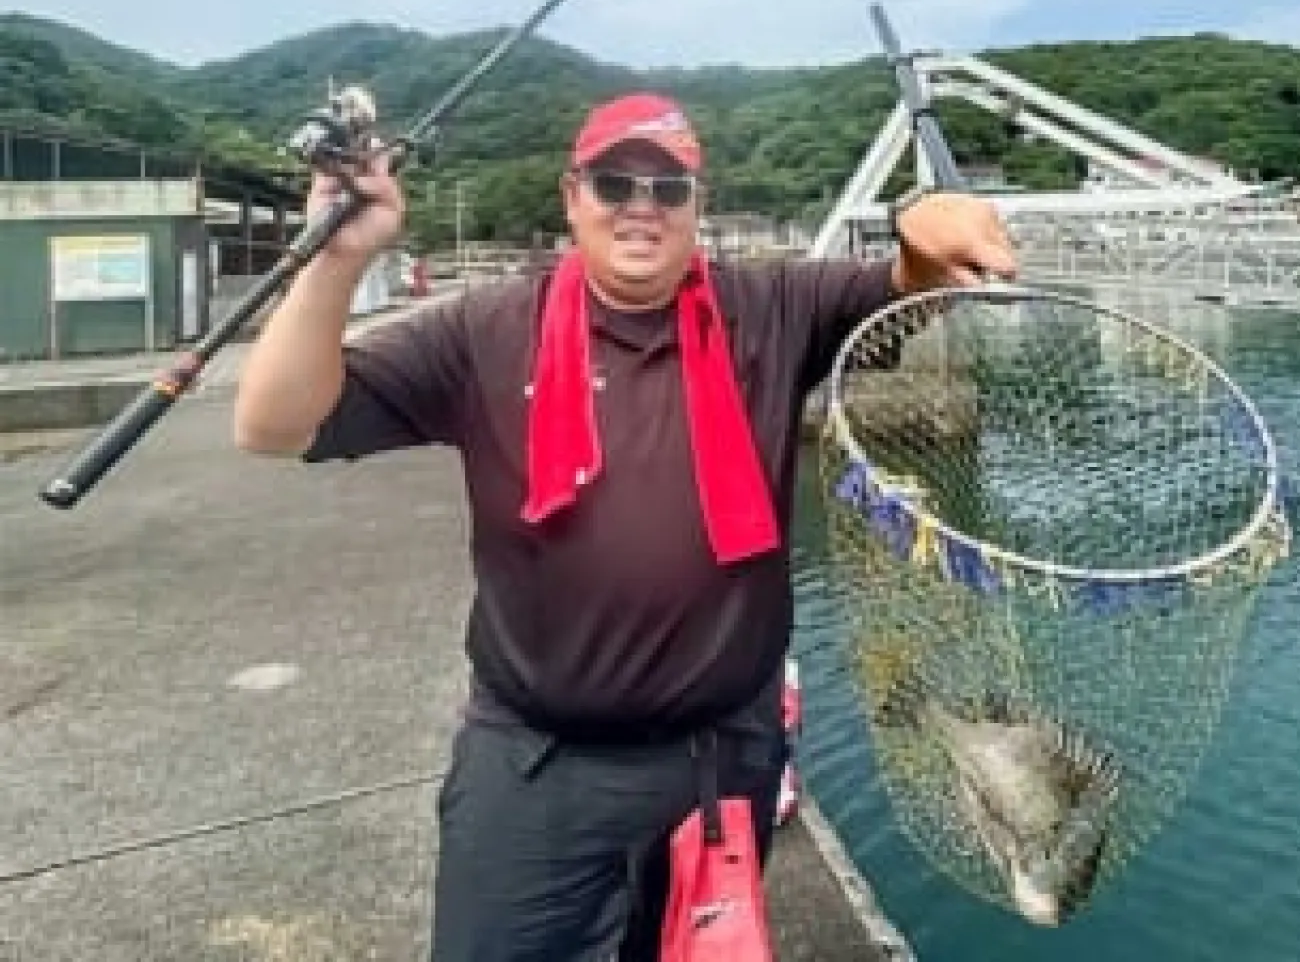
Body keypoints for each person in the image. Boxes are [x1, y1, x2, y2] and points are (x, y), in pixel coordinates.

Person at [233, 90, 1017, 961]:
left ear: (696, 207)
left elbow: (907, 280)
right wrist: (335, 263)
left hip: (724, 765)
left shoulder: (775, 307)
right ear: (573, 197)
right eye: (615, 184)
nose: (641, 207)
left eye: (668, 189)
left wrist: (926, 219)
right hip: (534, 774)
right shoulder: (487, 329)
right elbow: (275, 425)